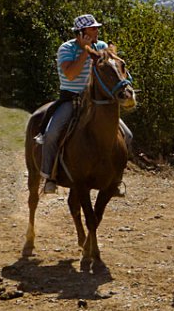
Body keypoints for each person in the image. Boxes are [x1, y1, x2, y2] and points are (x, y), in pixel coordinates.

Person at [40, 14, 133, 194]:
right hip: (71, 99)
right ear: (81, 33)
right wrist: (85, 51)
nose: (97, 31)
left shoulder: (102, 47)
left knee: (127, 136)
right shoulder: (66, 49)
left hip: (95, 101)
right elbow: (70, 75)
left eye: (97, 28)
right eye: (92, 28)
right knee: (51, 134)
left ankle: (115, 180)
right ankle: (49, 176)